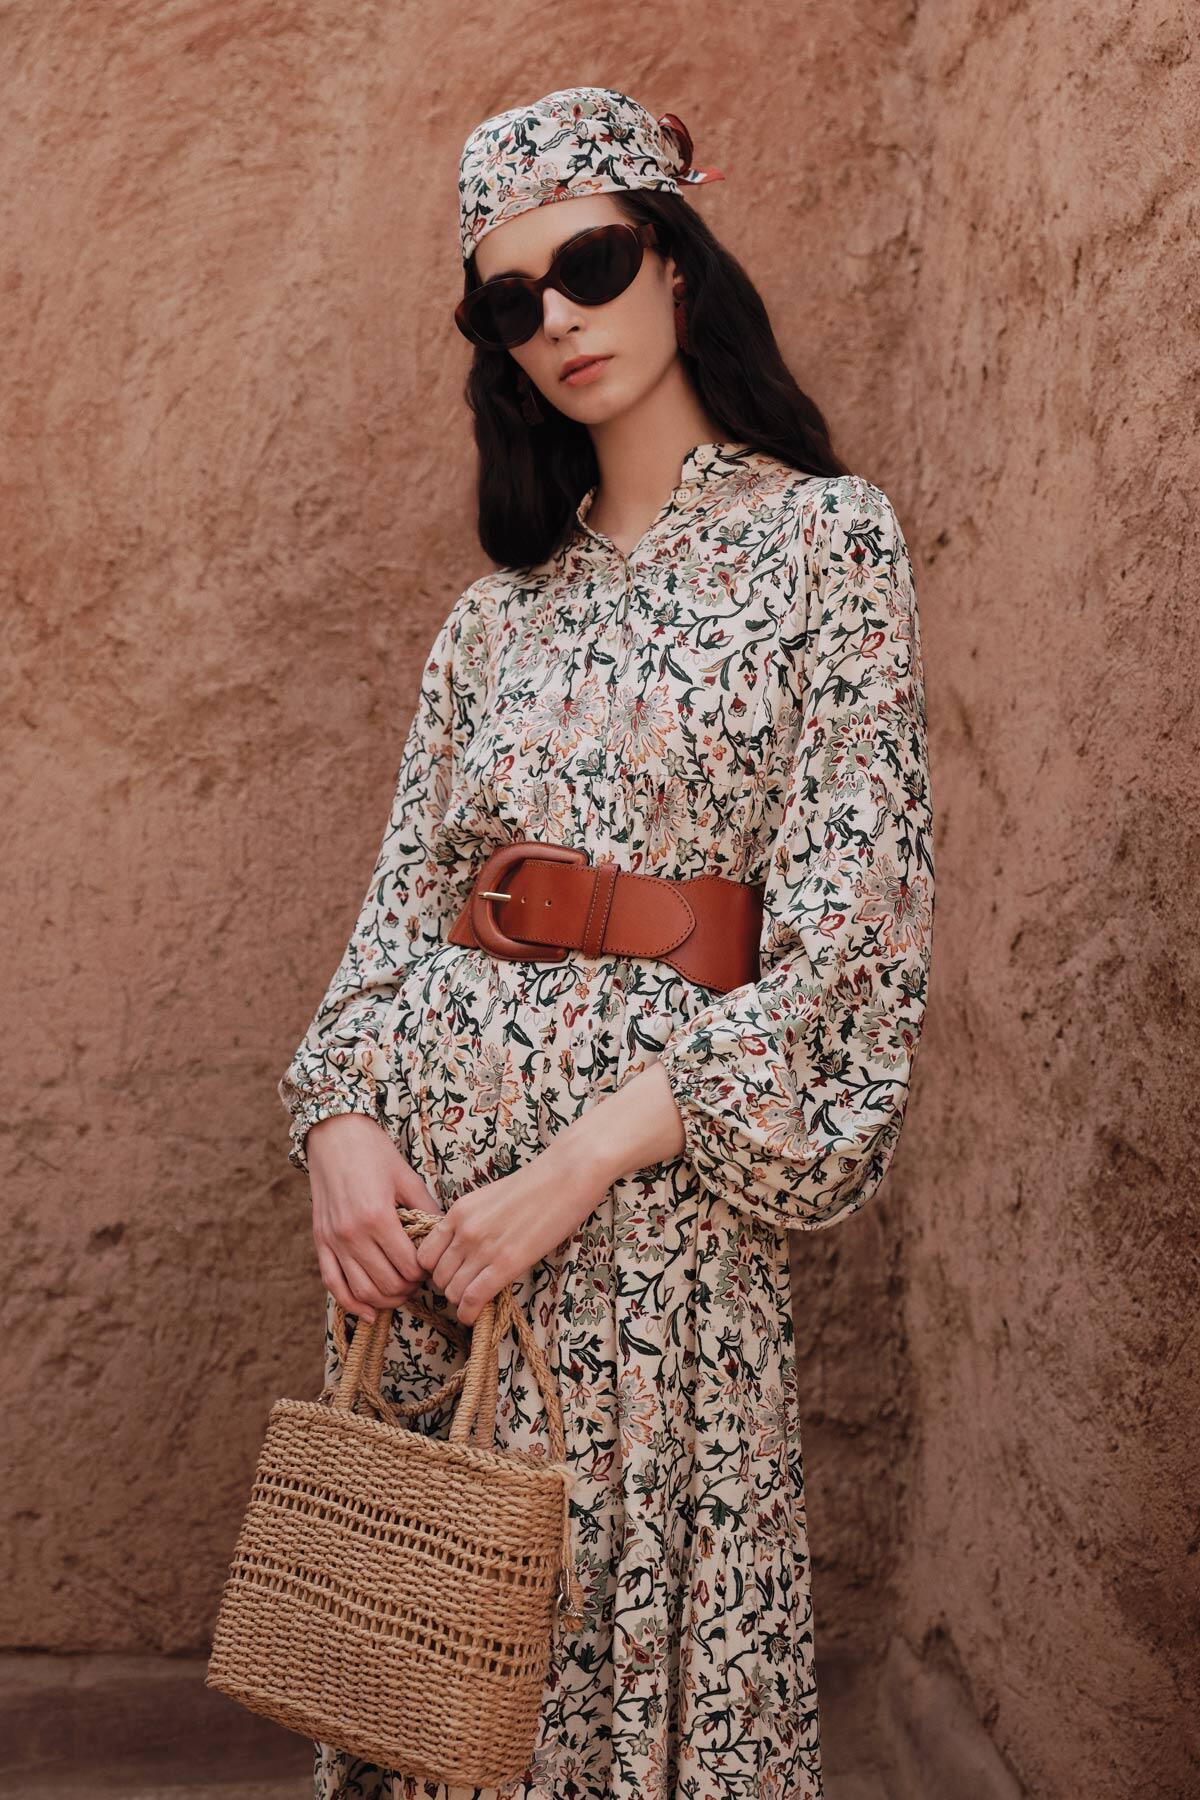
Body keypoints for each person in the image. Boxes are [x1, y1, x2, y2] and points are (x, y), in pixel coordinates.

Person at [278, 85, 935, 1800]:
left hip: (648, 1230)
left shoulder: (826, 544)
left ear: (677, 262)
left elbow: (853, 949)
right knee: (438, 1703)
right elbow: (394, 920)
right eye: (513, 299)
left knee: (622, 1679)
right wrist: (339, 1127)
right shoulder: (490, 622)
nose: (559, 316)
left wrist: (578, 1165)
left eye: (592, 264)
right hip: (433, 1243)